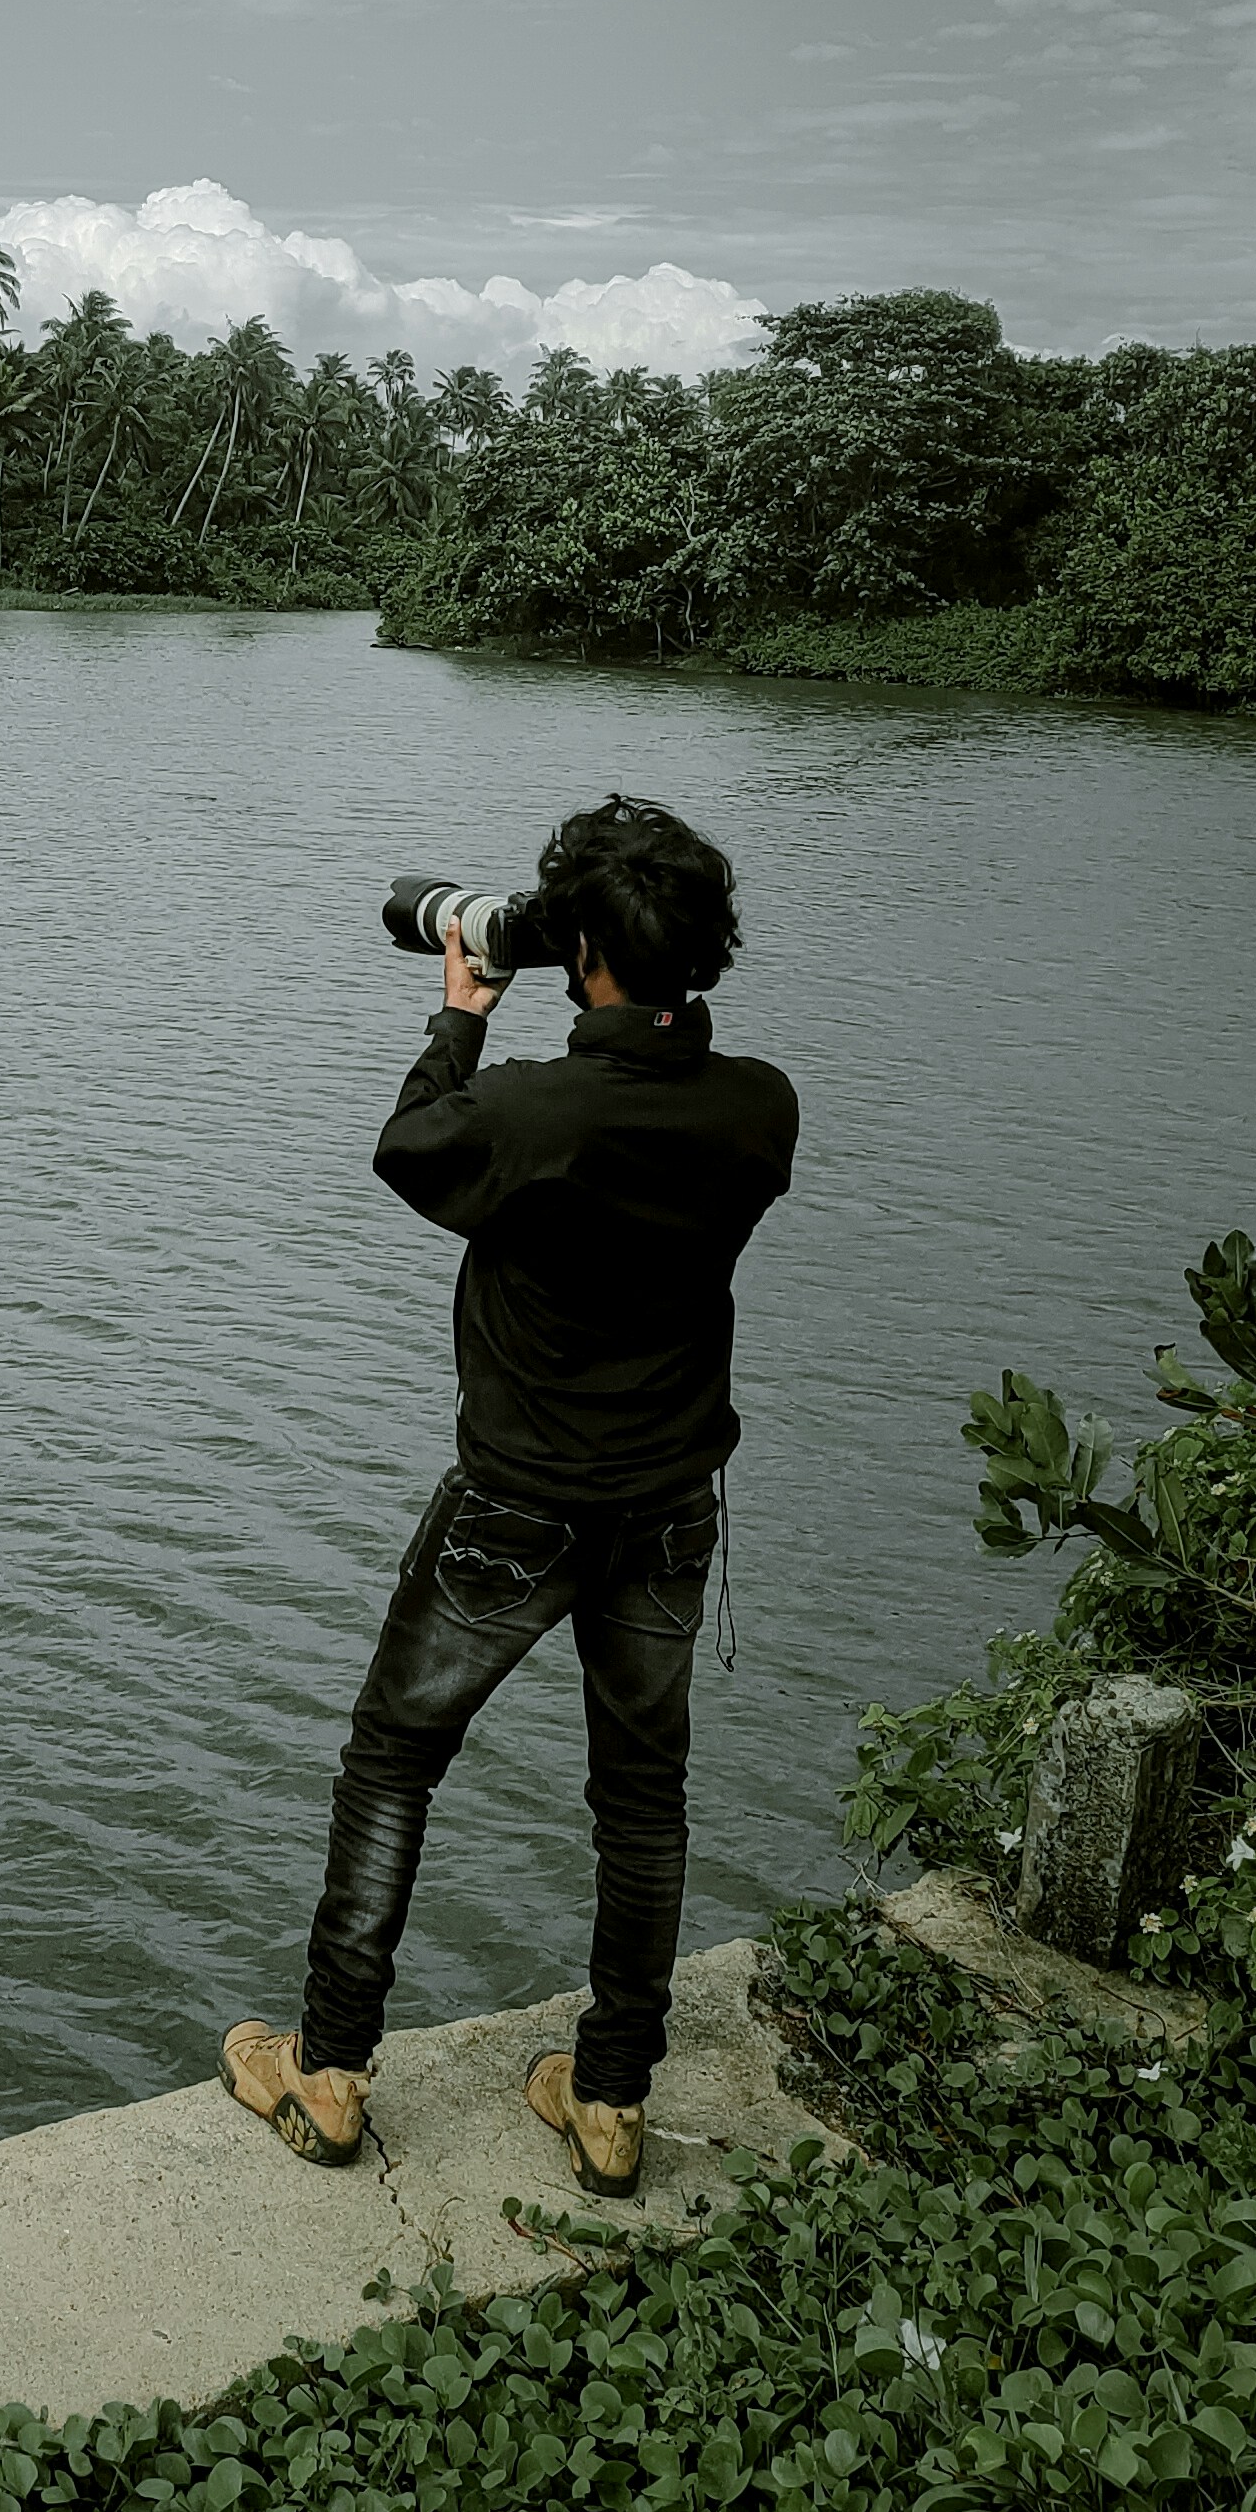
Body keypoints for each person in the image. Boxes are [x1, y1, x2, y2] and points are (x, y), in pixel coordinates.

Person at [222, 793, 798, 2204]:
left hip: (517, 1505)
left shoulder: (531, 1111)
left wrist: (465, 1009)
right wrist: (590, 975)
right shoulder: (760, 1106)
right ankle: (610, 2100)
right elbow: (646, 1095)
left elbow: (411, 1146)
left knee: (392, 1758)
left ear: (579, 949)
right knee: (642, 1801)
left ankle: (329, 2073)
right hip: (670, 1506)